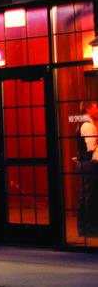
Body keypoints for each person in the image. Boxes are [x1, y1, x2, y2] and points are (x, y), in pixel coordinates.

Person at [78, 100, 98, 236]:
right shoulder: (88, 126)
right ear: (88, 110)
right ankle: (87, 227)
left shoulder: (88, 124)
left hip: (86, 162)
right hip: (89, 163)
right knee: (89, 195)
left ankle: (88, 226)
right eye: (96, 108)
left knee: (88, 194)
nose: (97, 110)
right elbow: (91, 147)